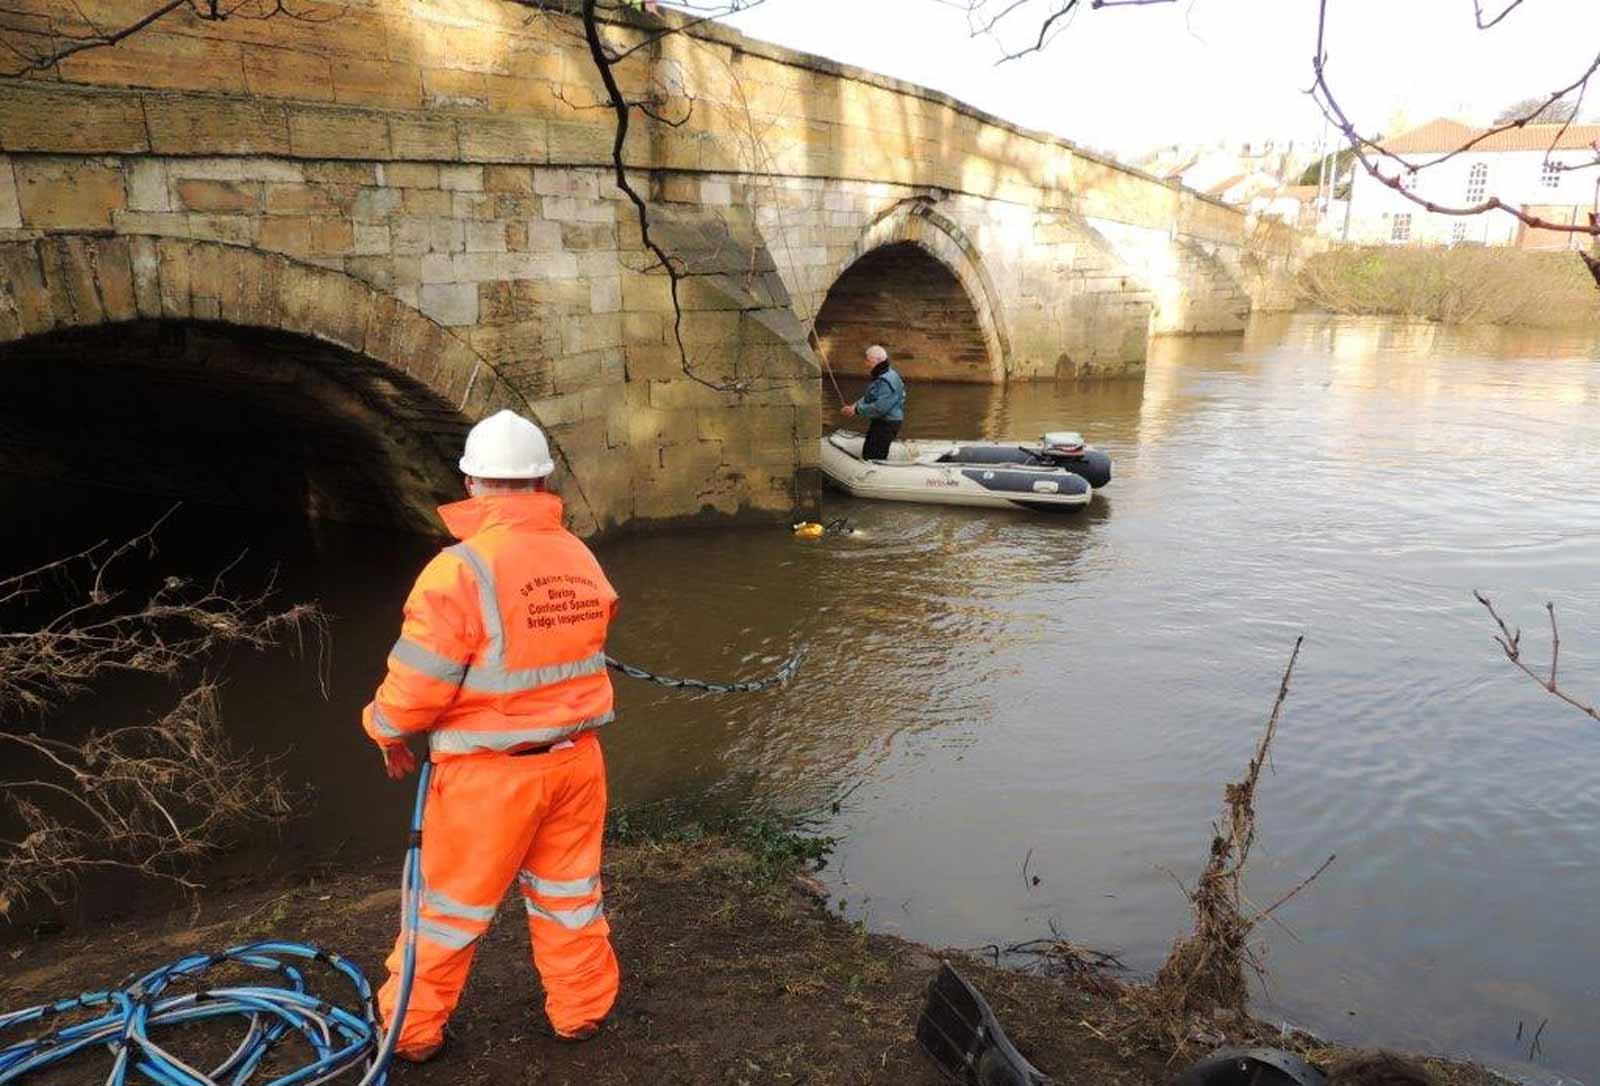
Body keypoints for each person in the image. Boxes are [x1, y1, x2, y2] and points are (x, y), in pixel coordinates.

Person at [361, 409, 620, 1063]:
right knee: (570, 898)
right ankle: (581, 1011)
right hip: (577, 763)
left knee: (449, 910)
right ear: (541, 483)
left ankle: (413, 1032)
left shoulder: (458, 571)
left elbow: (415, 691)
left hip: (490, 778)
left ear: (471, 482)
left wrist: (383, 730)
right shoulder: (579, 556)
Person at [839, 344, 906, 461]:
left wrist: (856, 410)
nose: (866, 364)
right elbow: (870, 396)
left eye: (868, 361)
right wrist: (854, 406)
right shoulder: (885, 374)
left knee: (873, 456)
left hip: (888, 423)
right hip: (881, 421)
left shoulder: (887, 380)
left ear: (878, 361)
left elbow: (880, 408)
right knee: (868, 452)